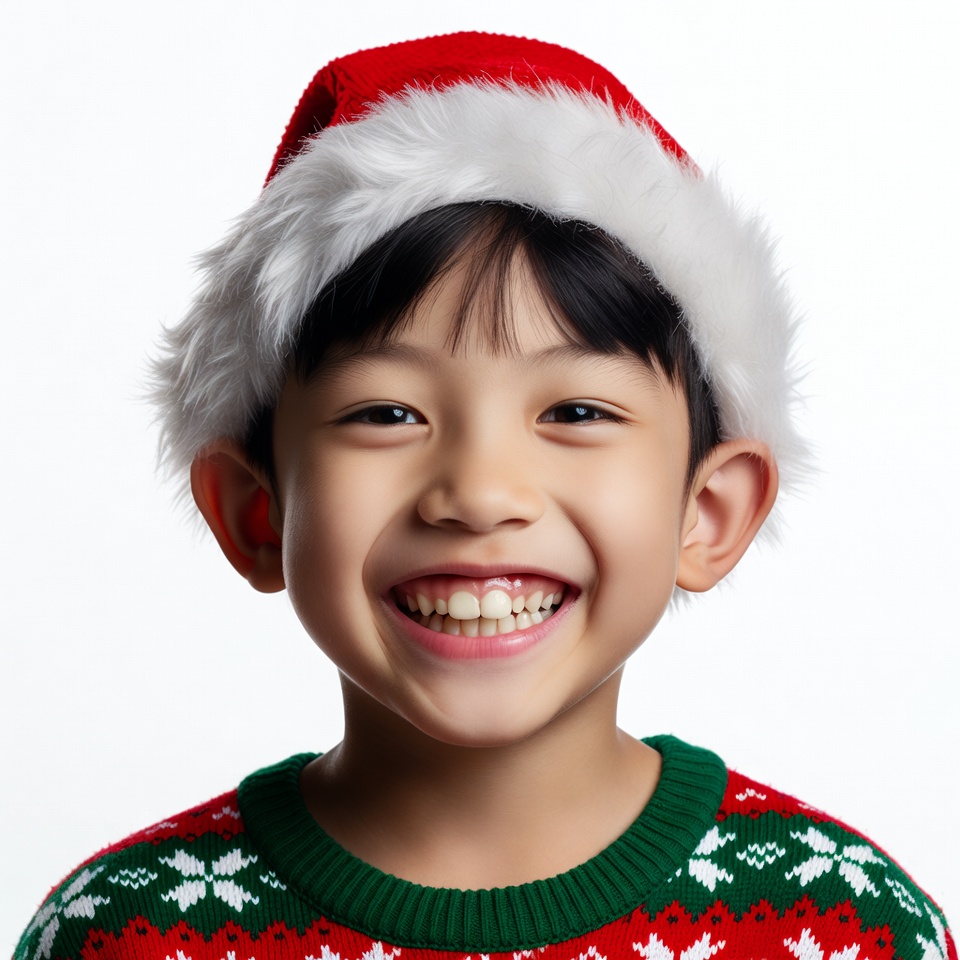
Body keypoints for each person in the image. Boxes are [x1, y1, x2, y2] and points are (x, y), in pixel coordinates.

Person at [14, 32, 953, 960]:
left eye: (576, 411)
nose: (479, 493)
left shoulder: (847, 925)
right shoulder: (129, 934)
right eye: (387, 413)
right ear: (255, 512)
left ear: (708, 513)